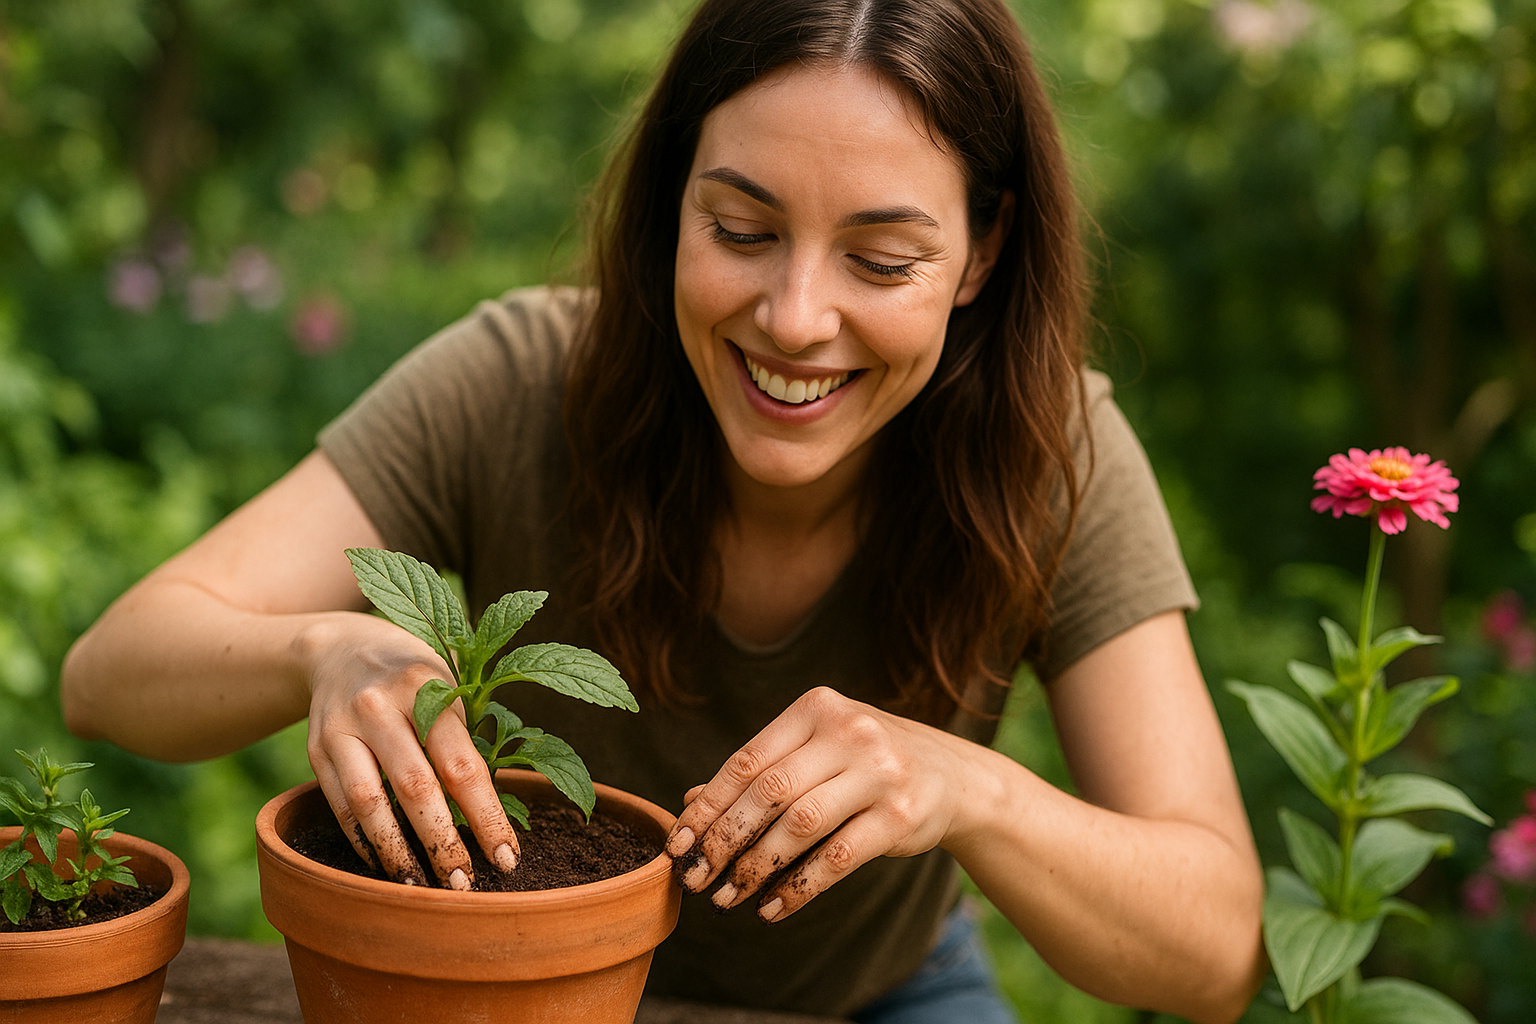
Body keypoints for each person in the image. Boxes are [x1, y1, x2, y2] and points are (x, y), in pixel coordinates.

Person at [61, 0, 1266, 1021]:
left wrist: (969, 789)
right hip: (526, 983)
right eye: (741, 229)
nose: (795, 316)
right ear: (671, 199)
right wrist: (323, 646)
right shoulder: (518, 379)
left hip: (884, 993)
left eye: (883, 260)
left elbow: (1215, 945)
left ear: (985, 253)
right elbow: (112, 672)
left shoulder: (1053, 451)